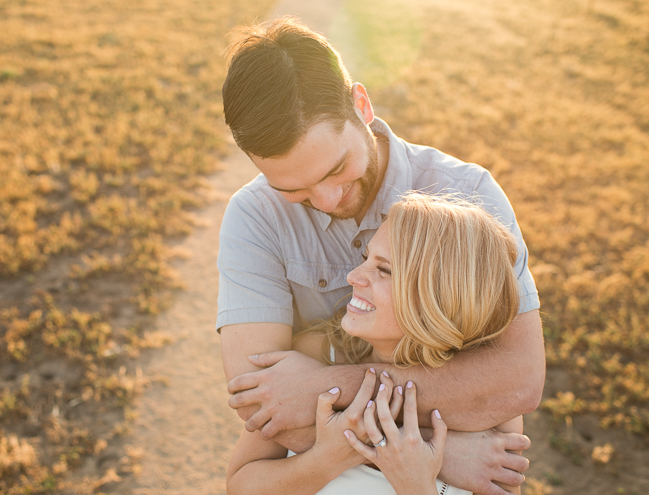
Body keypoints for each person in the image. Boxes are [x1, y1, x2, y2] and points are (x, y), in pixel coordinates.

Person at [218, 17, 544, 494]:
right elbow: (268, 410)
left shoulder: (467, 196)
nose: (327, 200)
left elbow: (515, 383)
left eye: (337, 168)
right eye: (293, 188)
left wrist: (337, 386)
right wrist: (440, 450)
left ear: (361, 105)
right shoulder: (253, 217)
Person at [226, 194, 524, 495]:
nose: (353, 277)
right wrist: (325, 460)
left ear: (441, 299)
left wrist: (416, 485)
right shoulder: (313, 358)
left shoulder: (489, 407)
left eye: (384, 270)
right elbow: (241, 485)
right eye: (365, 259)